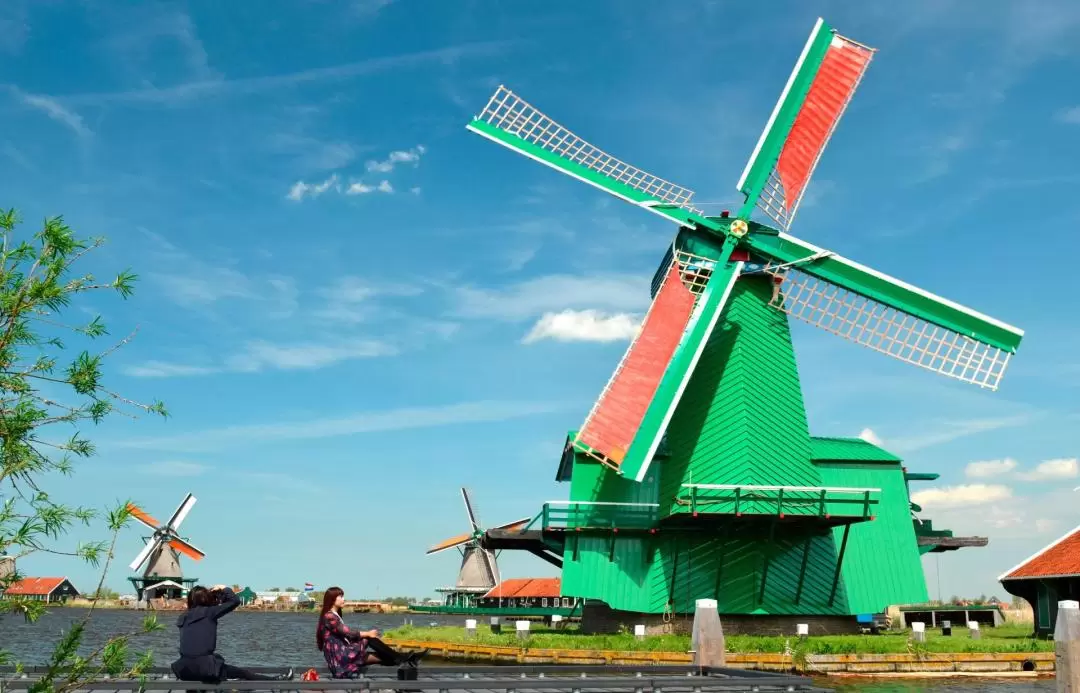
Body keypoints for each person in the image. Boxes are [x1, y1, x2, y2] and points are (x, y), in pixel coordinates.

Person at [171, 584, 294, 683]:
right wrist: (223, 588)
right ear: (205, 598)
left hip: (184, 669)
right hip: (205, 669)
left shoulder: (183, 617)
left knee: (215, 660)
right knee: (243, 673)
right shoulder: (209, 612)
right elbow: (235, 601)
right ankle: (276, 681)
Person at [315, 586, 428, 679]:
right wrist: (367, 633)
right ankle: (405, 659)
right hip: (340, 657)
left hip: (344, 653)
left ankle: (405, 659)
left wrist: (366, 635)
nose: (343, 599)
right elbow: (347, 632)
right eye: (340, 596)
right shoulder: (329, 616)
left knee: (384, 657)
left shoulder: (335, 615)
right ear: (332, 599)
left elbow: (346, 636)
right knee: (368, 638)